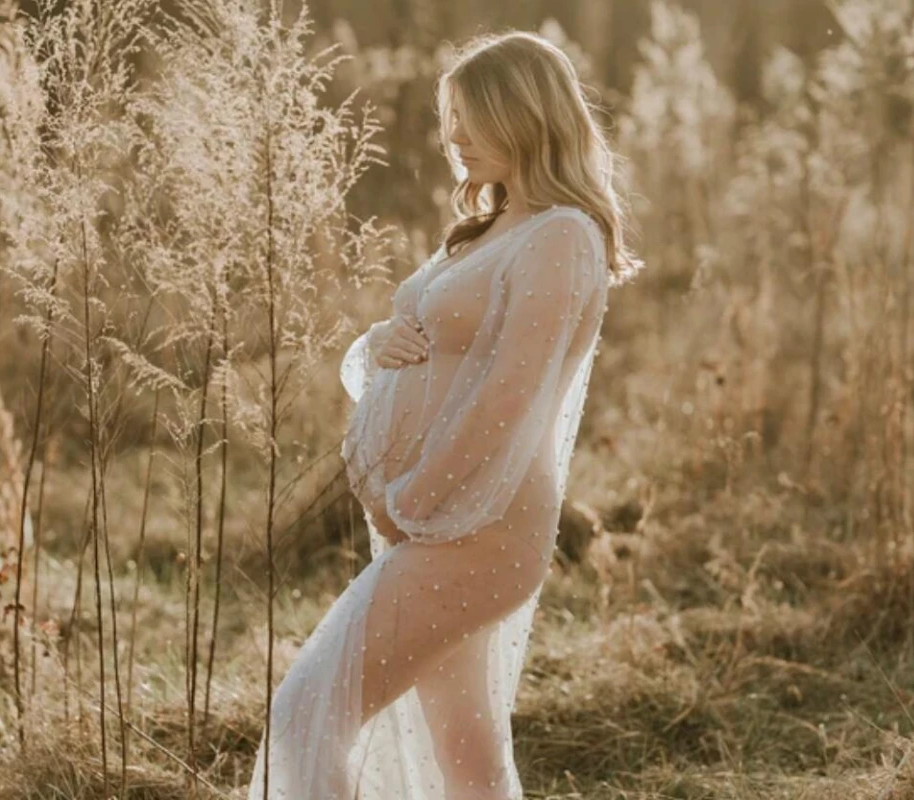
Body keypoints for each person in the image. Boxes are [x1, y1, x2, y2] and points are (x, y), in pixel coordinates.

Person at [247, 28, 643, 800]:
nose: (452, 136)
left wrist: (411, 497)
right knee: (467, 761)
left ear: (525, 114)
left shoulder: (561, 236)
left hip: (475, 526)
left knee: (308, 714)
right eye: (448, 116)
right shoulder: (492, 228)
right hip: (444, 519)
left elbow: (511, 394)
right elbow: (413, 357)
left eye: (471, 116)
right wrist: (376, 342)